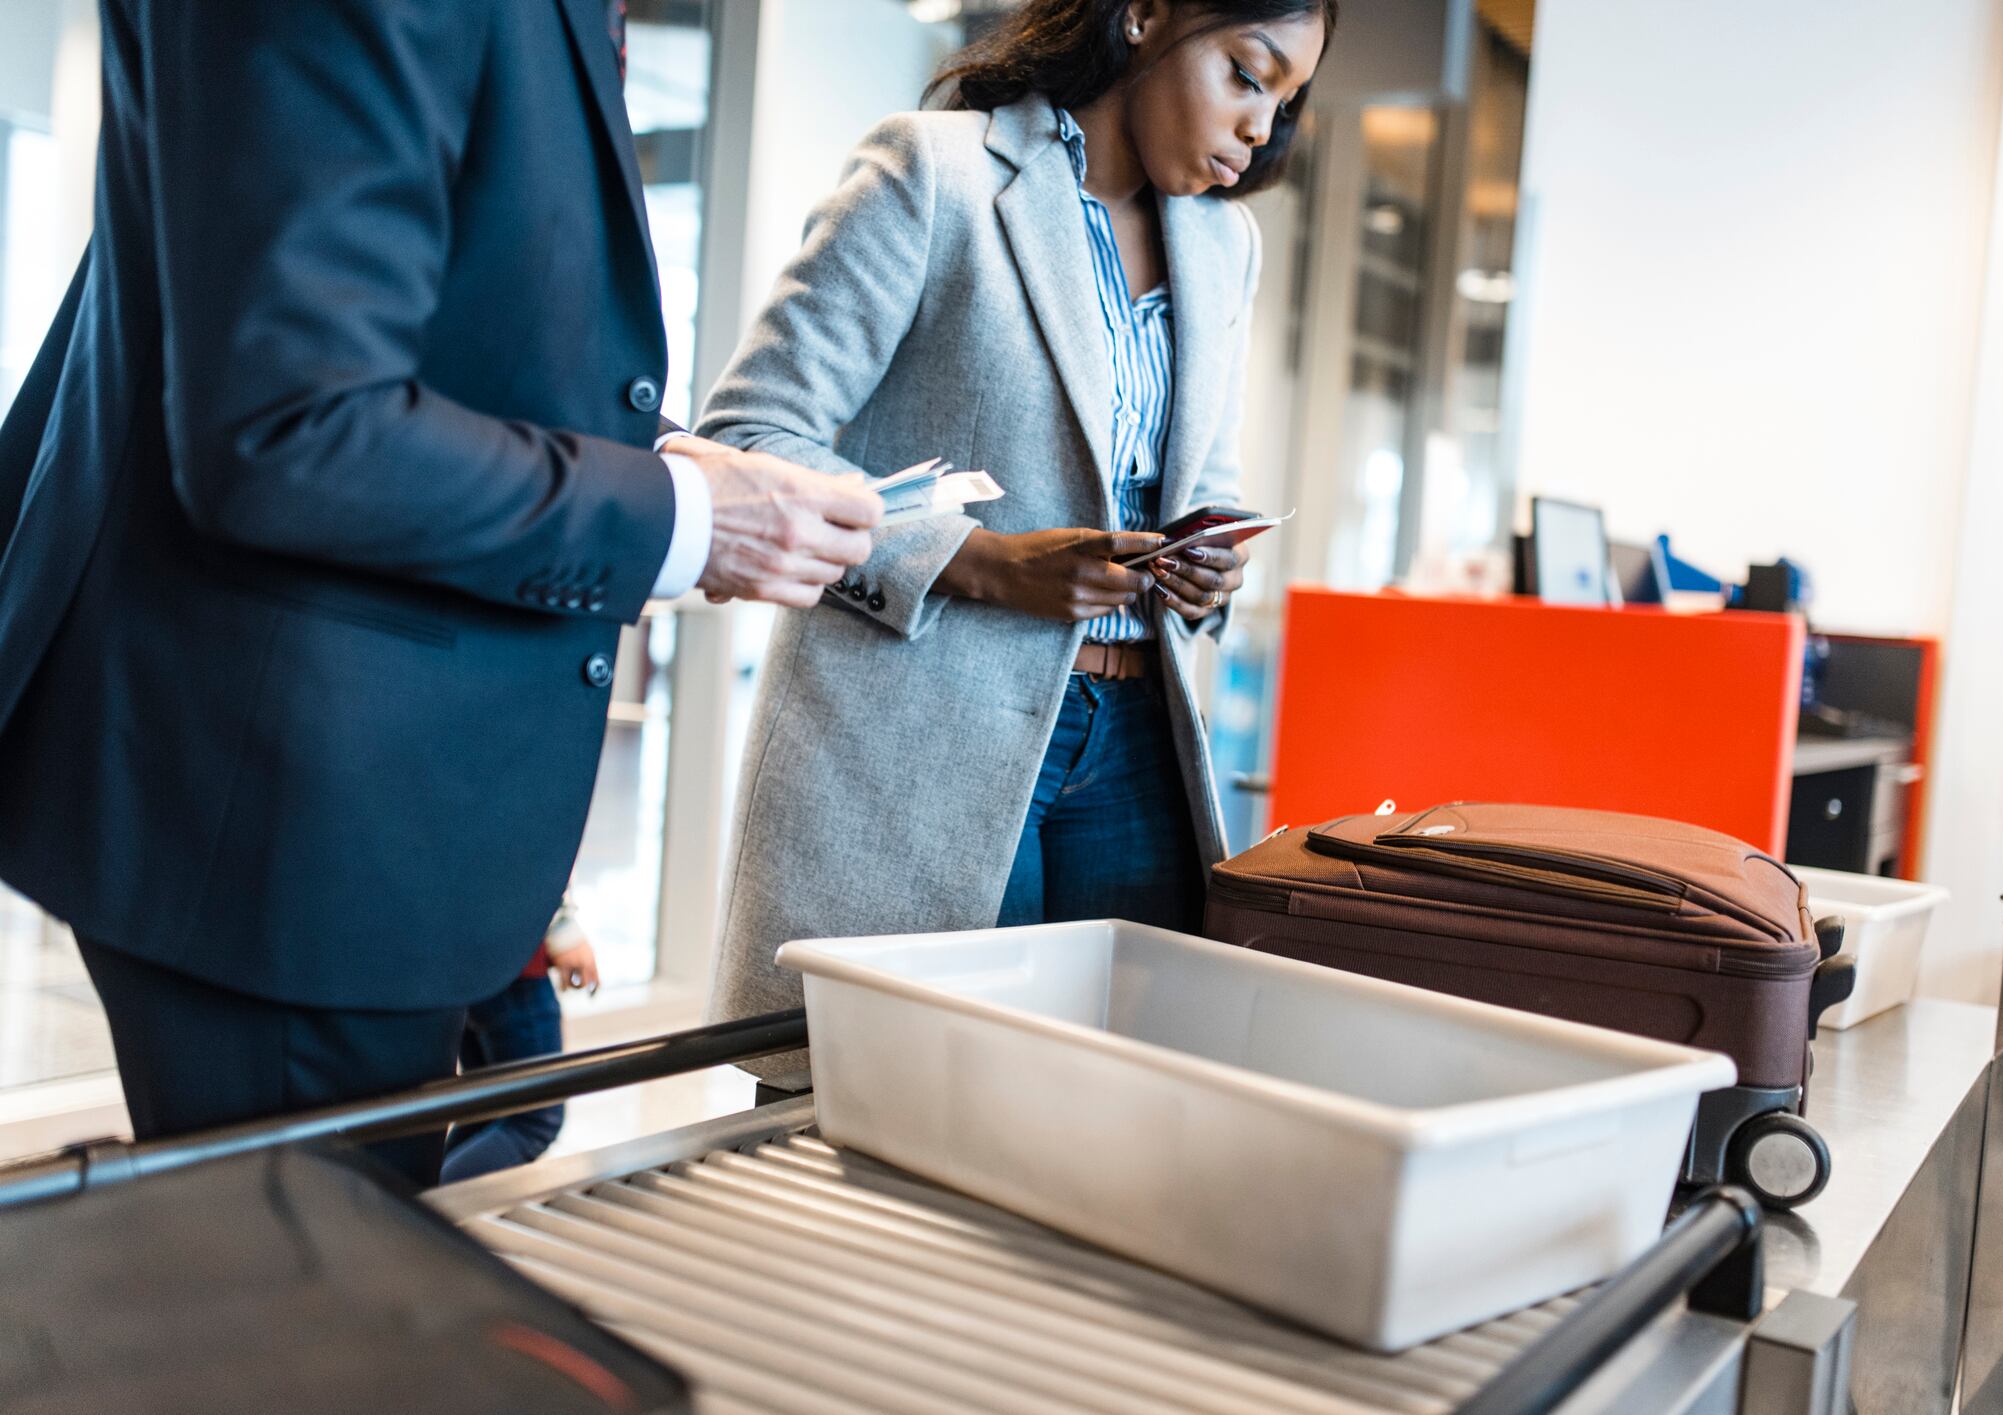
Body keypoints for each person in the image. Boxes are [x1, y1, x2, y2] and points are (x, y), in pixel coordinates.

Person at [0, 0, 882, 1184]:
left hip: (347, 796)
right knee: (310, 1326)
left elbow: (454, 343)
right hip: (277, 813)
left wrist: (672, 467)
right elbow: (292, 426)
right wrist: (683, 524)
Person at [698, 0, 1333, 1084]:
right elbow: (752, 440)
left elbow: (1202, 477)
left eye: (1280, 104)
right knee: (899, 1105)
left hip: (1137, 739)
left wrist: (1210, 565)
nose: (1257, 130)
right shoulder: (931, 174)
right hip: (922, 735)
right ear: (1143, 18)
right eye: (1244, 74)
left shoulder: (1225, 247)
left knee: (1106, 1107)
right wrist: (986, 561)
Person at [439, 897, 600, 1184]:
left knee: (485, 1111)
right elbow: (527, 858)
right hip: (514, 961)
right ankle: (415, 1212)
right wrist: (562, 928)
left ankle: (410, 1206)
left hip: (463, 955)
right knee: (535, 1120)